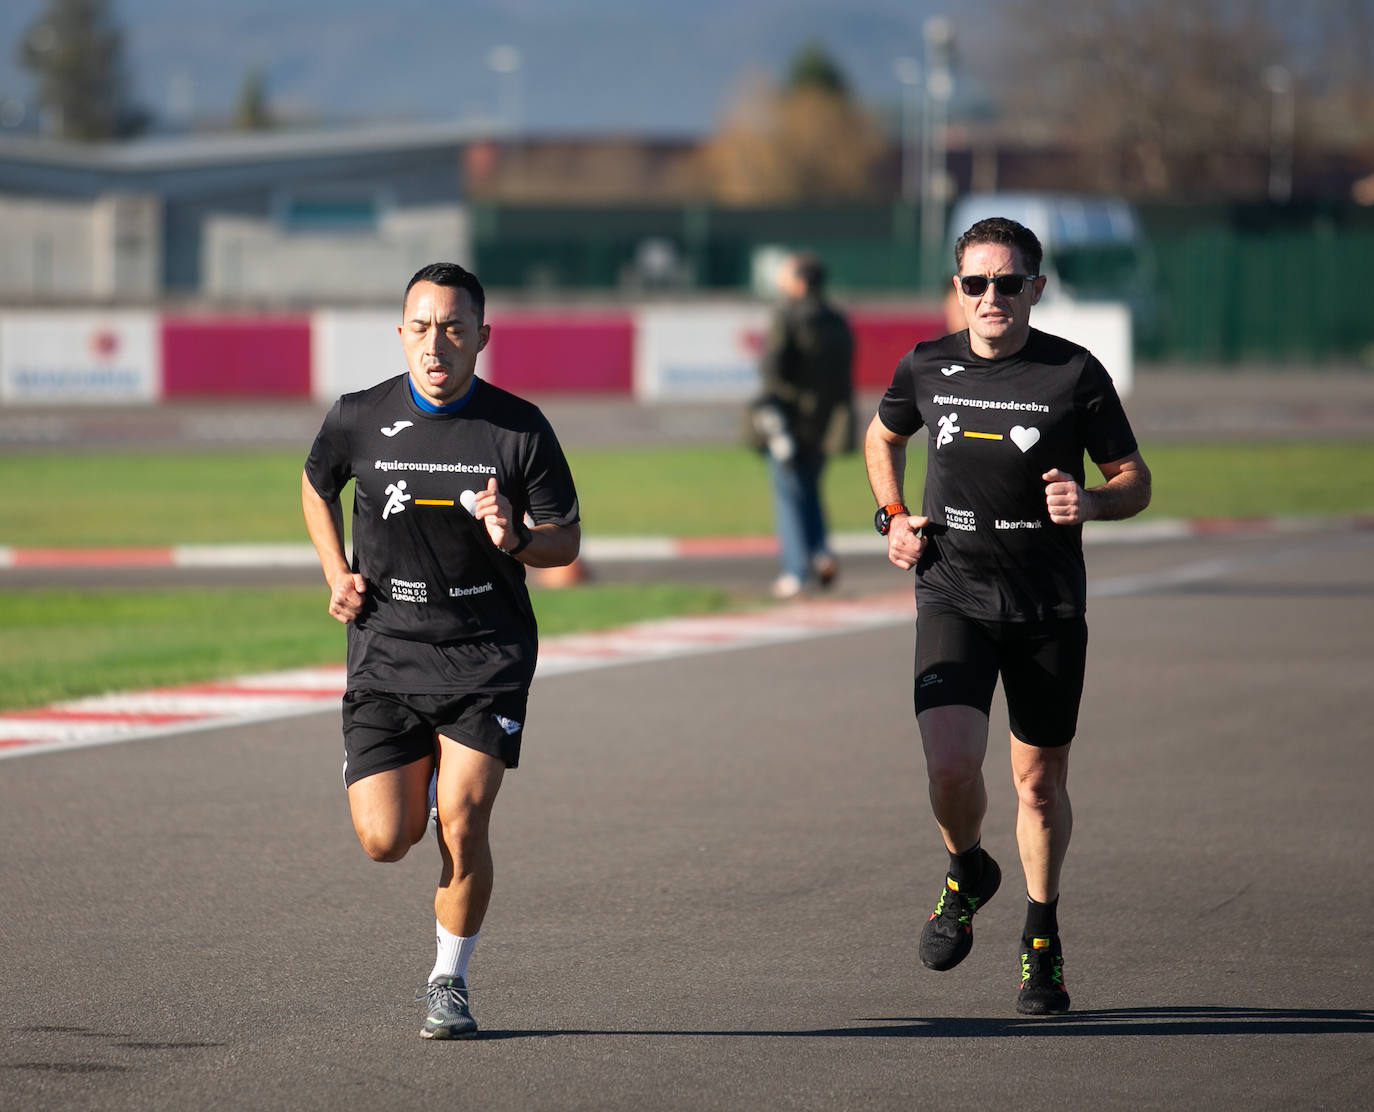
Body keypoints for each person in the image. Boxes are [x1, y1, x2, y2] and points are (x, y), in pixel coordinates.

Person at [863, 217, 1151, 1015]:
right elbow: (880, 436)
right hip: (951, 590)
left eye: (1008, 282)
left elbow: (1135, 478)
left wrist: (1092, 499)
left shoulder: (1074, 374)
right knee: (951, 766)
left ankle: (1041, 936)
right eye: (975, 283)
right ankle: (966, 869)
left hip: (1046, 605)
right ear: (958, 288)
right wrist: (892, 516)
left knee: (1036, 784)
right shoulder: (926, 364)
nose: (992, 297)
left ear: (1036, 288)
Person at [301, 262, 581, 1039]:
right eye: (422, 327)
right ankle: (404, 773)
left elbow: (565, 543)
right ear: (401, 334)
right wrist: (335, 572)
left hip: (485, 655)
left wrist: (516, 536)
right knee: (386, 841)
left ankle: (448, 982)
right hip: (387, 650)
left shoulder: (518, 428)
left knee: (463, 821)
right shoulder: (358, 416)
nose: (436, 344)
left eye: (454, 328)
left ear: (482, 338)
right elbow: (313, 482)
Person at [751, 251, 855, 599]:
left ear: (799, 281)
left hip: (790, 419)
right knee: (810, 491)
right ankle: (821, 552)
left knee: (788, 495)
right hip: (825, 422)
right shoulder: (836, 319)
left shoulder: (787, 315)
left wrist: (771, 413)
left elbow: (771, 369)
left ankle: (796, 570)